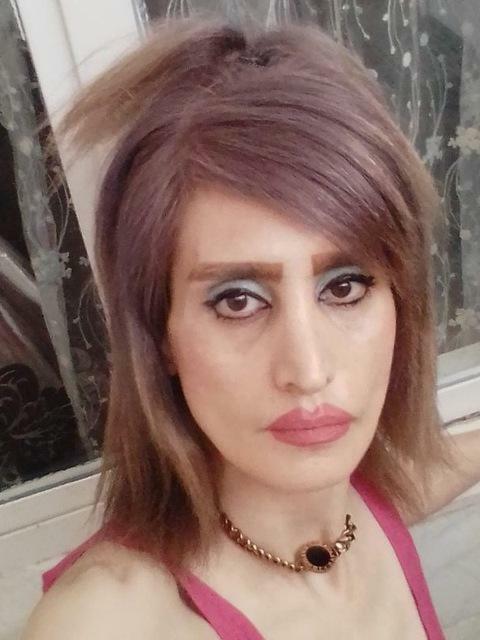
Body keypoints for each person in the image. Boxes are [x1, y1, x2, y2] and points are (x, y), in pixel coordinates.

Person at [21, 13, 480, 640]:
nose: (308, 370)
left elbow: (423, 474)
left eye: (344, 287)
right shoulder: (109, 623)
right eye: (238, 300)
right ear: (159, 334)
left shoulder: (360, 501)